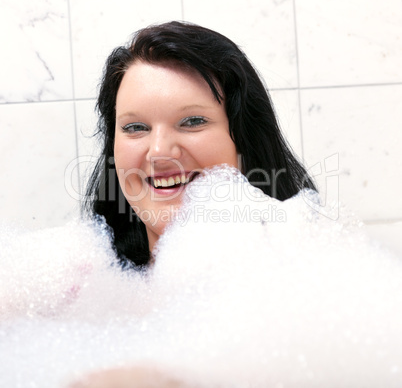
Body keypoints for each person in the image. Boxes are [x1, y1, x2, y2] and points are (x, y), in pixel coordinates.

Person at [83, 20, 316, 267]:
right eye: (135, 127)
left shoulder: (305, 279)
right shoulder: (84, 287)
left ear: (244, 137)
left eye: (192, 121)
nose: (160, 152)